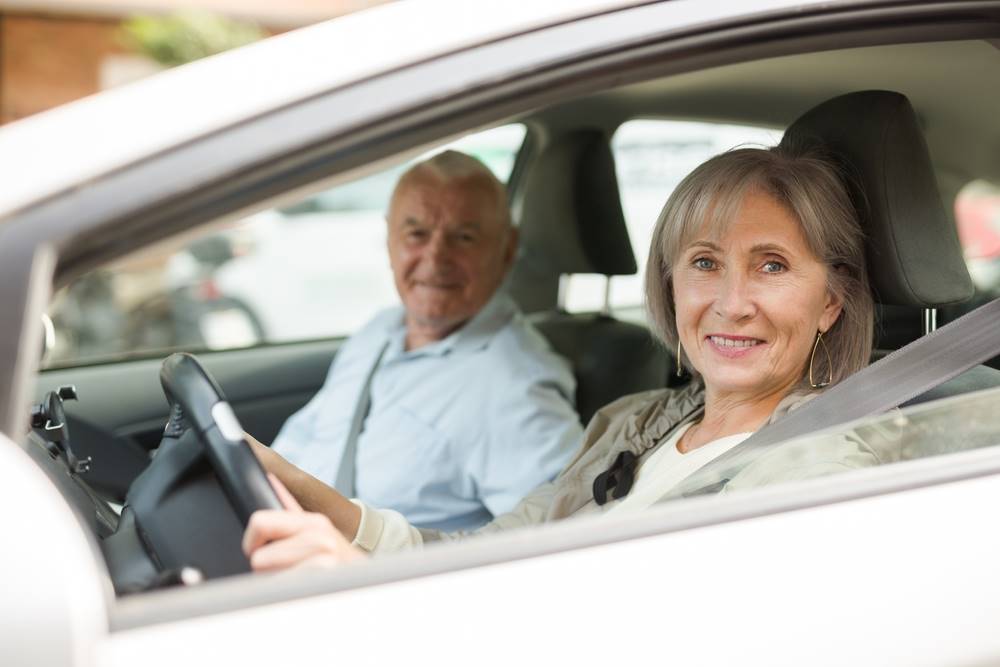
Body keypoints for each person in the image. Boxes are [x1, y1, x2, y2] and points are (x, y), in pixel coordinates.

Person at [243, 144, 883, 571]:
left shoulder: (819, 467)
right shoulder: (634, 424)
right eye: (705, 263)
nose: (732, 302)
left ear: (830, 301)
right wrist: (302, 491)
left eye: (771, 265)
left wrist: (359, 585)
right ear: (671, 284)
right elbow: (483, 555)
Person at [255, 150, 582, 532]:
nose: (436, 256)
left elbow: (564, 535)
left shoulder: (517, 387)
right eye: (416, 234)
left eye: (464, 237)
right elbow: (307, 439)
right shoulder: (380, 331)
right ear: (389, 240)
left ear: (507, 250)